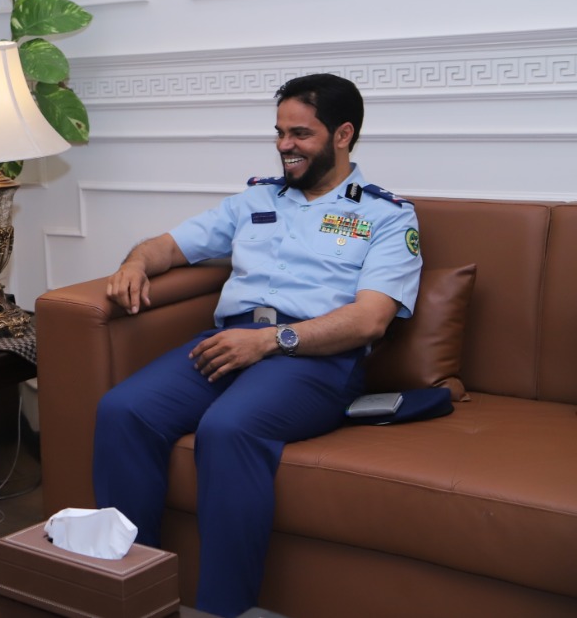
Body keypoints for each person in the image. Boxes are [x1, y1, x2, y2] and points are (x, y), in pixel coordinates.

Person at [95, 73, 421, 618]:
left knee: (228, 429)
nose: (284, 145)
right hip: (231, 339)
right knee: (124, 410)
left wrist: (271, 341)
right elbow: (167, 246)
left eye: (300, 134)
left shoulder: (385, 216)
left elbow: (370, 320)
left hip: (314, 355)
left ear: (343, 135)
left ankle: (221, 608)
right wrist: (134, 263)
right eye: (279, 133)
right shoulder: (254, 200)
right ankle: (132, 595)